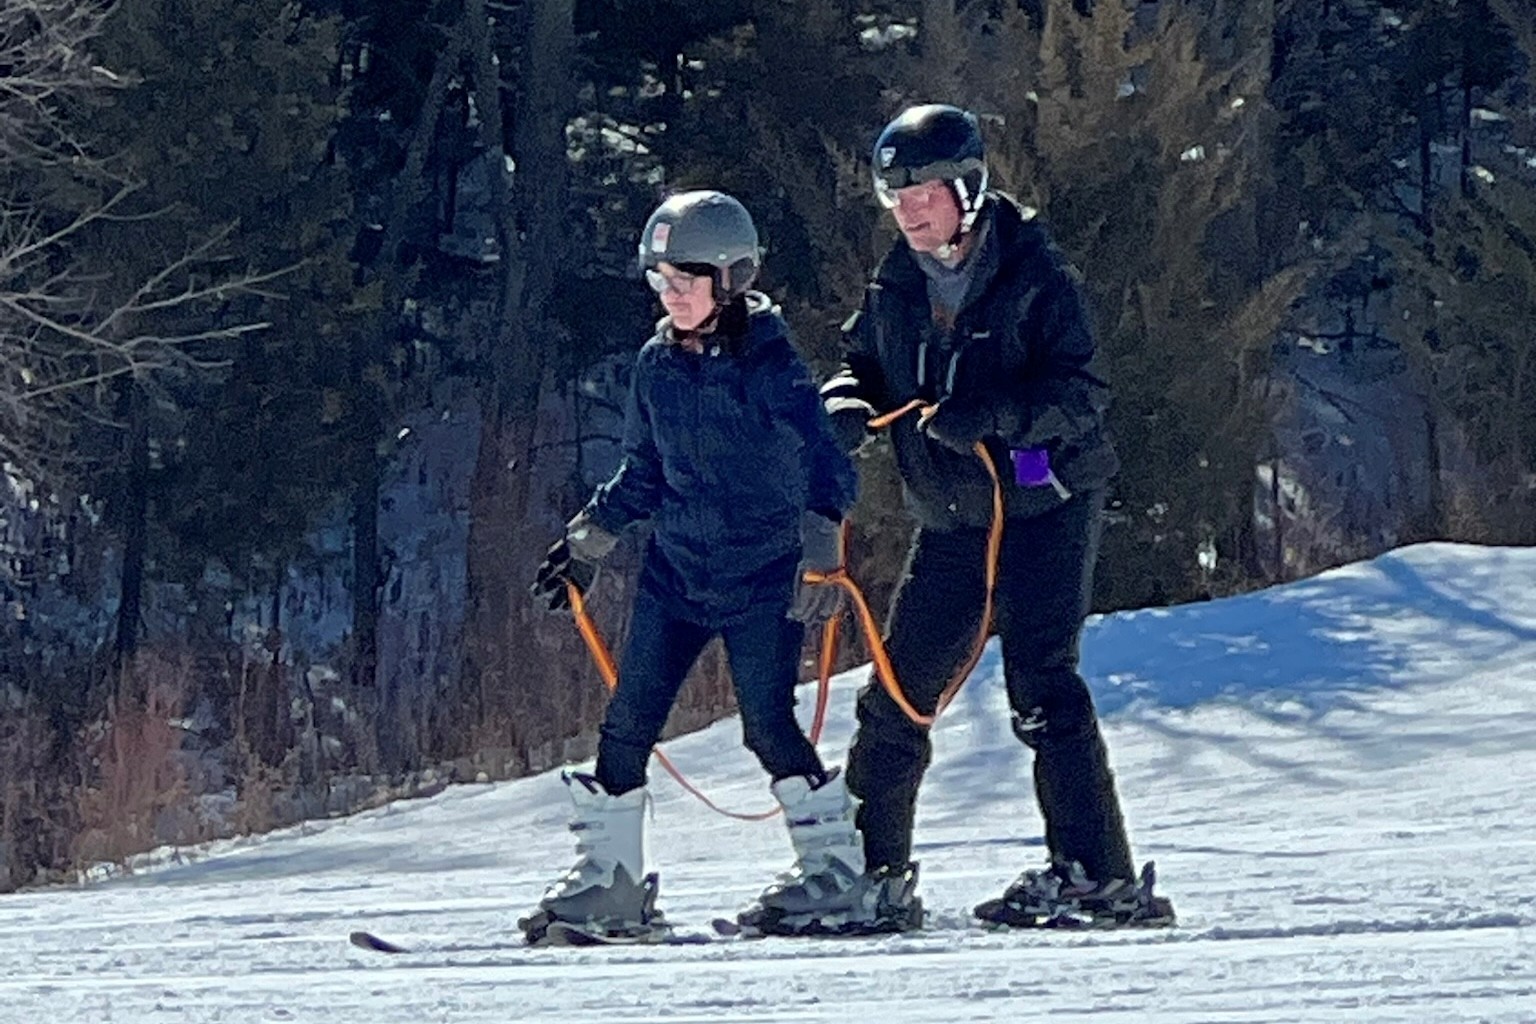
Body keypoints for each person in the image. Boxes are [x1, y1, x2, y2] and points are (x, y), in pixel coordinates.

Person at [819, 104, 1174, 930]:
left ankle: (1098, 877)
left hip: (1044, 508)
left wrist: (992, 413)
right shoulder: (897, 282)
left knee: (1042, 689)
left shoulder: (1036, 275)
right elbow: (861, 360)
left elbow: (1083, 397)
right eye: (895, 197)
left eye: (924, 194)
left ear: (968, 191)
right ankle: (871, 876)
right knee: (897, 695)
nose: (908, 212)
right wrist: (843, 400)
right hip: (952, 514)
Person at [522, 190, 871, 944]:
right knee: (627, 727)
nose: (671, 295)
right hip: (676, 576)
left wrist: (821, 548)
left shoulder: (772, 365)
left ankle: (837, 873)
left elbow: (827, 463)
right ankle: (612, 886)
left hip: (761, 578)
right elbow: (643, 471)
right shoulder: (656, 366)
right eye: (660, 281)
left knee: (767, 728)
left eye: (686, 279)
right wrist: (590, 539)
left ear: (731, 278)